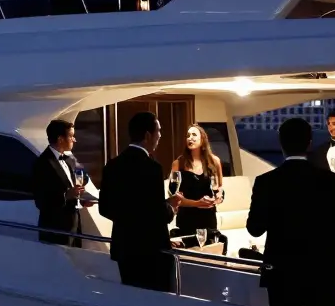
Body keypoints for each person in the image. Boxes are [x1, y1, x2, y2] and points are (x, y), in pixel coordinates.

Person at [246, 118, 335, 306]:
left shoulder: (266, 182)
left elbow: (254, 228)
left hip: (282, 272)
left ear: (281, 143)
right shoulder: (329, 181)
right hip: (322, 269)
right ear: (309, 143)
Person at [100, 112, 183, 291]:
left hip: (124, 248)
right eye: (158, 131)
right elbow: (155, 214)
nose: (160, 135)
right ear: (147, 135)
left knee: (133, 299)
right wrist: (170, 208)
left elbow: (105, 208)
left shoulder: (112, 165)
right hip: (151, 251)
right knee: (157, 304)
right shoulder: (152, 168)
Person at [30, 119, 94, 247]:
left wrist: (82, 198)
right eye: (71, 136)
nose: (74, 140)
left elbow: (84, 177)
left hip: (74, 225)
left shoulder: (70, 158)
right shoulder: (42, 164)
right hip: (55, 229)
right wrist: (65, 196)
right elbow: (41, 201)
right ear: (60, 139)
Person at [170, 124, 225, 249]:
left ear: (203, 139)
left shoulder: (214, 161)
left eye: (194, 135)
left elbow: (219, 187)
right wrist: (197, 203)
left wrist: (218, 197)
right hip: (186, 218)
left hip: (208, 218)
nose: (190, 138)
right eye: (188, 135)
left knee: (209, 254)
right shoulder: (178, 164)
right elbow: (174, 196)